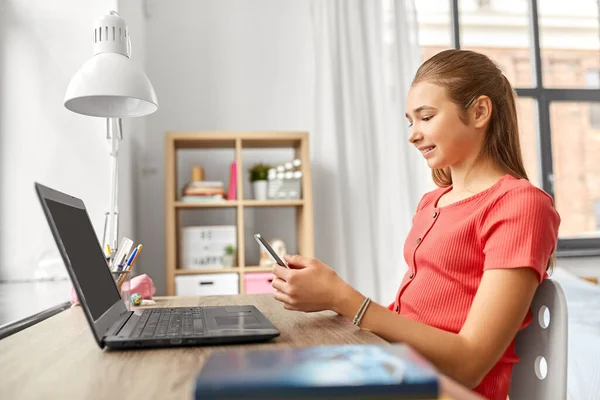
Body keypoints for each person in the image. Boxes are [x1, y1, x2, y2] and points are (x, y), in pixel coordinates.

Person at [271, 49, 560, 400]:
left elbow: (470, 365)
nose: (413, 134)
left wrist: (343, 298)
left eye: (426, 117)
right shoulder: (432, 202)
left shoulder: (520, 205)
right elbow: (413, 318)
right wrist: (328, 299)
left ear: (480, 111)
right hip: (399, 374)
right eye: (410, 121)